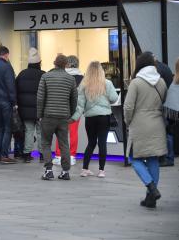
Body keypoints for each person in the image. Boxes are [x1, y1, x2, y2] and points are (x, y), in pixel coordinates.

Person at [124, 52, 167, 208]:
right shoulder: (161, 82)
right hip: (157, 124)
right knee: (153, 159)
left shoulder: (136, 82)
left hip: (140, 125)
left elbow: (128, 107)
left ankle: (150, 186)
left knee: (134, 158)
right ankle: (151, 198)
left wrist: (127, 121)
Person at [71, 61, 118, 178]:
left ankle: (85, 169)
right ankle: (101, 171)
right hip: (104, 117)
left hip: (90, 118)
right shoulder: (107, 83)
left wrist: (73, 118)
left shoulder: (83, 85)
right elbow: (114, 98)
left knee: (91, 143)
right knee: (102, 143)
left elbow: (80, 105)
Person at [37, 54, 77, 181]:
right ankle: (65, 172)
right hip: (63, 117)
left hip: (48, 116)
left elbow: (40, 98)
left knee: (46, 143)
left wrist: (39, 115)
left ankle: (48, 170)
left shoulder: (45, 76)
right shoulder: (71, 79)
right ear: (66, 64)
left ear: (54, 63)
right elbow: (74, 99)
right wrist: (70, 113)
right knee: (64, 144)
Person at [16, 47, 45, 163]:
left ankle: (27, 154)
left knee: (28, 130)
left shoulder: (22, 74)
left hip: (25, 110)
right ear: (39, 63)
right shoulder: (43, 75)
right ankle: (43, 154)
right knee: (40, 131)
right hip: (40, 109)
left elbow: (16, 91)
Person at [53, 55, 83, 166]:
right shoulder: (82, 78)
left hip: (62, 108)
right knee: (73, 133)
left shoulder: (62, 76)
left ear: (67, 64)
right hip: (76, 109)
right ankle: (72, 156)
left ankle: (58, 155)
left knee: (60, 132)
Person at [0, 46, 17, 164]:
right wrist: (14, 102)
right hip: (6, 101)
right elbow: (10, 86)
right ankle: (4, 155)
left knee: (0, 128)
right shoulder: (7, 67)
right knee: (8, 128)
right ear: (6, 55)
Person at [162, 57, 179, 166]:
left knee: (168, 132)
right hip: (173, 112)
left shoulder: (174, 82)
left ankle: (170, 158)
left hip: (172, 113)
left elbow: (170, 99)